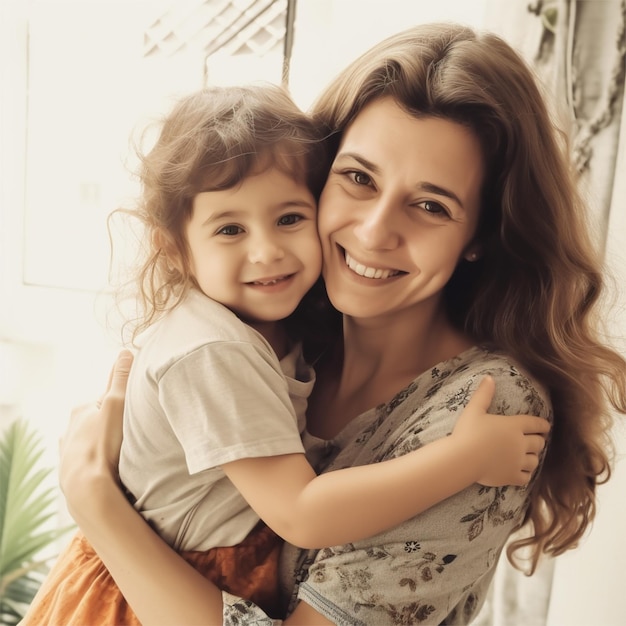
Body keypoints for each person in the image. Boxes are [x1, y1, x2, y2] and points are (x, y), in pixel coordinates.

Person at [56, 21, 626, 625]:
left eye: (431, 205)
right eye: (358, 178)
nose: (375, 231)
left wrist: (97, 507)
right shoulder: (272, 326)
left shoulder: (486, 410)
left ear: (480, 236)